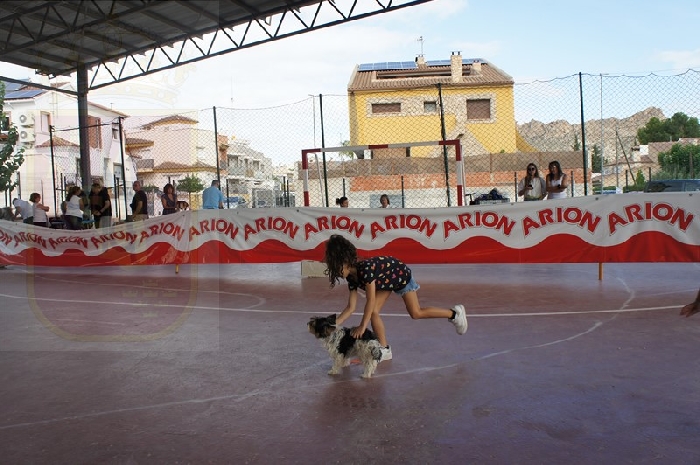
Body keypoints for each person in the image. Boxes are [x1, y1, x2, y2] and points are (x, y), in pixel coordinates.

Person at [323, 234, 468, 362]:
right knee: (374, 312)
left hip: (400, 275)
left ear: (346, 261)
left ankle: (454, 314)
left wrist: (362, 326)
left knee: (416, 313)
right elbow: (351, 307)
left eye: (337, 267)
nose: (336, 272)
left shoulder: (365, 270)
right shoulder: (351, 277)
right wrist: (333, 325)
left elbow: (370, 300)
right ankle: (385, 350)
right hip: (386, 281)